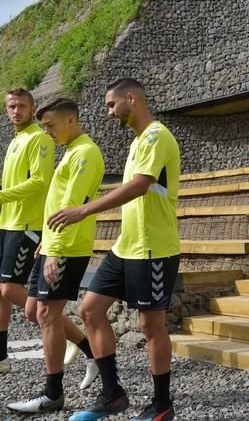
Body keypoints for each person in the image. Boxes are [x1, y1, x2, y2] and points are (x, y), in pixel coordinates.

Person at [48, 79, 180, 421]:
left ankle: (162, 405)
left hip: (153, 249)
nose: (108, 113)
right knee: (90, 309)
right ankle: (113, 395)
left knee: (151, 327)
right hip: (127, 246)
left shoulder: (155, 135)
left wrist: (83, 210)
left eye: (111, 105)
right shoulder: (139, 140)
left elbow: (139, 186)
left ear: (131, 99)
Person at [7, 98, 104, 413]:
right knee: (33, 311)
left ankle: (52, 395)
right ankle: (91, 351)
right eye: (44, 125)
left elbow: (73, 204)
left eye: (50, 125)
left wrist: (56, 250)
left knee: (47, 314)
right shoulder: (72, 151)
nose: (46, 131)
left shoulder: (86, 153)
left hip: (66, 248)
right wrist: (45, 243)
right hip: (50, 244)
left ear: (71, 120)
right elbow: (58, 201)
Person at [0, 89, 55, 374]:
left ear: (33, 109)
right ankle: (1, 359)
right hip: (6, 223)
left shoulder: (39, 138)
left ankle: (68, 337)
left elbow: (40, 182)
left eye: (22, 106)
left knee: (10, 288)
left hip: (27, 225)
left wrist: (1, 196)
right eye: (11, 106)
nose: (16, 110)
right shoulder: (16, 140)